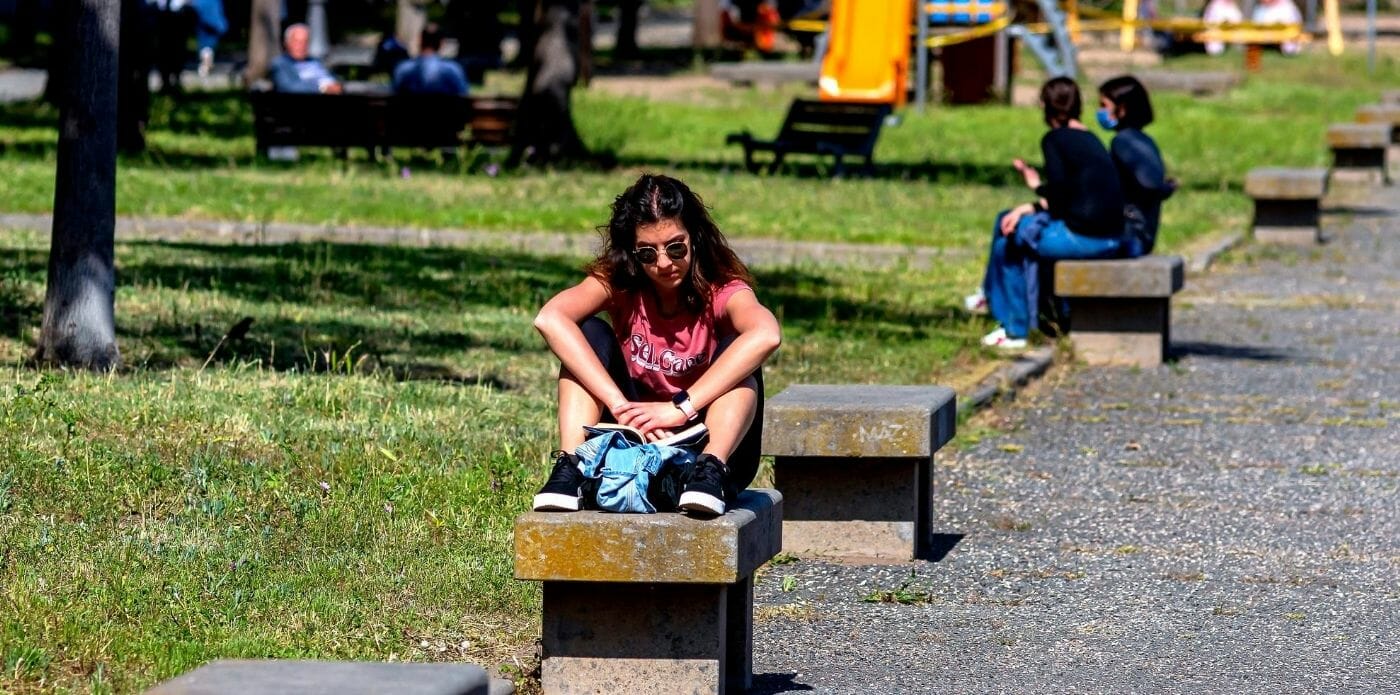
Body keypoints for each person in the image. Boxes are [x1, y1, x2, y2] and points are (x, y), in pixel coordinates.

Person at [531, 174, 782, 517]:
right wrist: (619, 406)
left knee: (738, 349)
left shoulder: (721, 287)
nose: (664, 263)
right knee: (588, 333)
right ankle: (573, 466)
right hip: (632, 439)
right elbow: (550, 318)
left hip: (705, 444)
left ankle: (710, 470)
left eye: (676, 247)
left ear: (695, 238)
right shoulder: (622, 280)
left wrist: (679, 409)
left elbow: (766, 334)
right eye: (648, 253)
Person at [967, 77, 1128, 350]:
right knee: (1006, 218)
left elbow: (1060, 193)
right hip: (1112, 234)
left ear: (1045, 105)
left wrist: (1033, 193)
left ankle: (1015, 329)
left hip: (1087, 238)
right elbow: (1072, 194)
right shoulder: (1089, 138)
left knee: (1010, 241)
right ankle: (993, 297)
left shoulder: (1054, 139)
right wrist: (1031, 200)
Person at [1098, 76, 1175, 256]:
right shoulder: (1143, 140)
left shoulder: (1123, 142)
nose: (1099, 111)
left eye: (1104, 105)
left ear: (1122, 109)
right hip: (1144, 233)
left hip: (1131, 234)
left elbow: (1149, 185)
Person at [392, 24, 470, 96]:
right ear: (441, 43)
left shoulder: (403, 69)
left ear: (420, 41)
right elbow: (463, 94)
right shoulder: (453, 69)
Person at [270, 23, 342, 94]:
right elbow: (289, 88)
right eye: (297, 42)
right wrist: (322, 89)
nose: (302, 46)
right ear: (287, 43)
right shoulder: (280, 64)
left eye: (305, 41)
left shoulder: (316, 61)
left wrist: (338, 86)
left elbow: (335, 79)